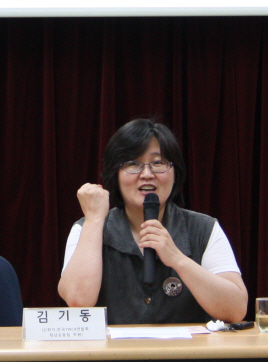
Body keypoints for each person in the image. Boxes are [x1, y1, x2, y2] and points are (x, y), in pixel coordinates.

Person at [58, 119, 247, 324]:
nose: (147, 175)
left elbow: (236, 310)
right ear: (115, 173)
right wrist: (95, 219)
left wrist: (177, 259)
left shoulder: (204, 229)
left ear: (175, 172)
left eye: (158, 163)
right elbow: (78, 300)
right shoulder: (86, 228)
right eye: (133, 164)